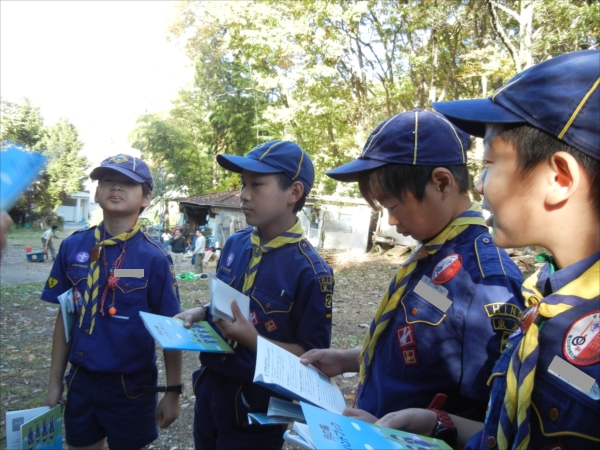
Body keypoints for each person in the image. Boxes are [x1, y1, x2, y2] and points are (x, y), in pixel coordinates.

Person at [373, 49, 600, 449]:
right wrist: (437, 423)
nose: (479, 184)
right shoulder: (546, 299)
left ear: (560, 178)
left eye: (490, 163)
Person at [301, 109, 525, 426]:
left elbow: (492, 423)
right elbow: (417, 357)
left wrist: (425, 429)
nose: (391, 220)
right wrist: (348, 359)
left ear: (442, 183)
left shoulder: (484, 282)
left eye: (393, 205)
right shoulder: (431, 254)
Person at [175, 140, 334, 449]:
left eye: (257, 185)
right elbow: (230, 301)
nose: (244, 195)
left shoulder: (311, 272)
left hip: (255, 406)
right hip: (211, 386)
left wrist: (253, 340)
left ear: (294, 192)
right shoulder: (236, 244)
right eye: (243, 184)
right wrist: (202, 311)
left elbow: (312, 357)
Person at [41, 154, 182, 449]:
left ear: (146, 198)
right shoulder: (73, 247)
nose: (115, 187)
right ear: (96, 191)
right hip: (81, 378)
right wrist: (55, 383)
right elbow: (65, 320)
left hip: (130, 384)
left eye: (128, 183)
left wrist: (173, 391)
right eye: (107, 180)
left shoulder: (153, 258)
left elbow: (171, 328)